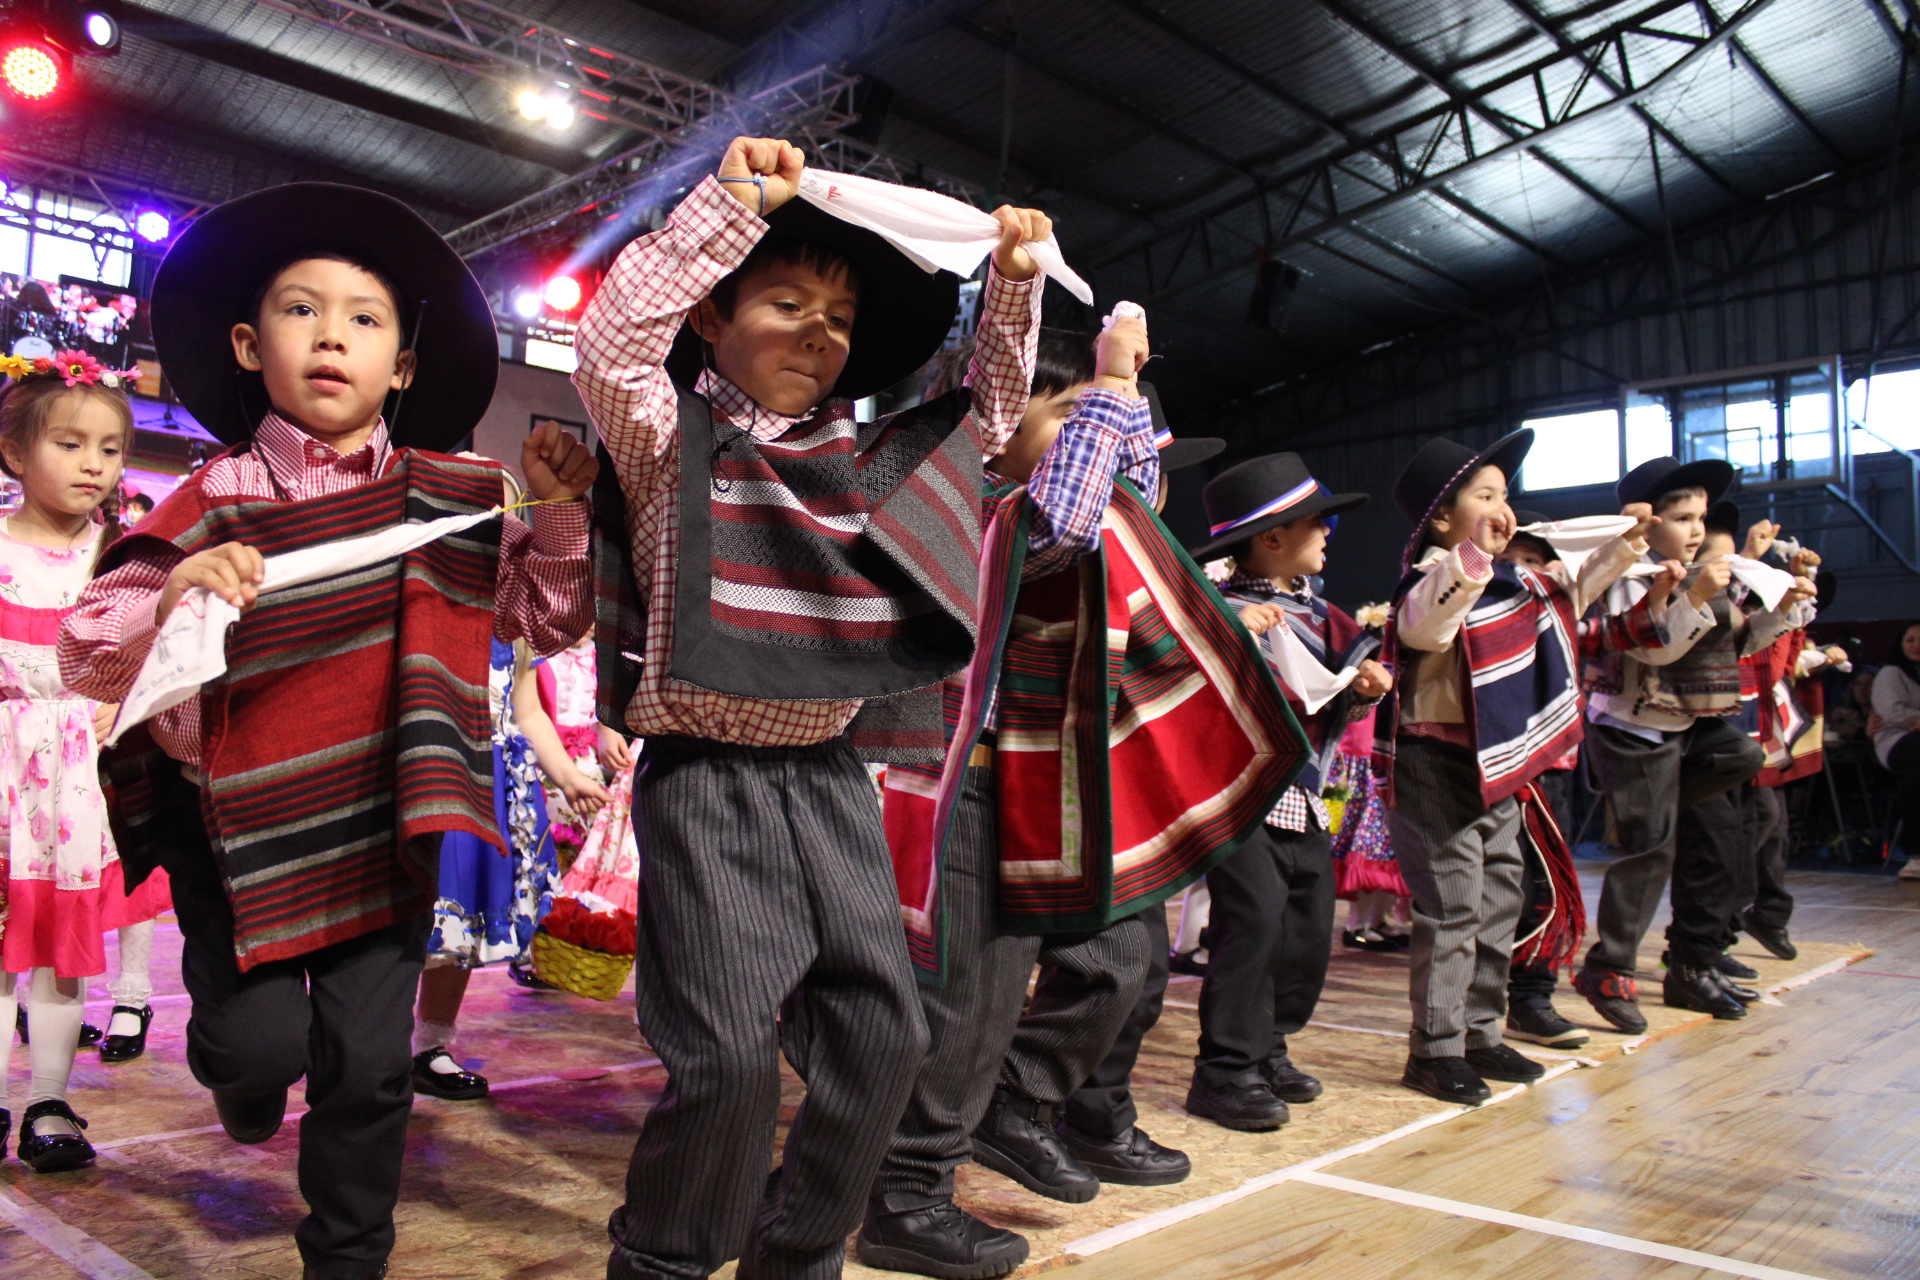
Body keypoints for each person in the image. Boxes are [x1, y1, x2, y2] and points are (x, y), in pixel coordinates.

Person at [59, 184, 595, 1280]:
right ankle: (241, 1074)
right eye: (301, 311)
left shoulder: (452, 497)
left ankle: (347, 1260)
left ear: (403, 365)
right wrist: (174, 593)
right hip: (234, 836)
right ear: (249, 345)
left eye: (364, 318)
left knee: (368, 1066)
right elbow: (87, 647)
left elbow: (543, 621)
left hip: (382, 822)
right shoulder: (211, 494)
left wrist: (556, 519)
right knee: (257, 1049)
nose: (332, 336)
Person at [573, 135, 1057, 1280]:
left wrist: (1013, 285)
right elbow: (611, 345)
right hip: (705, 781)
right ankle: (665, 1262)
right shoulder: (669, 439)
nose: (818, 332)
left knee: (885, 1035)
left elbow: (989, 418)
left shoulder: (864, 462)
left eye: (838, 317)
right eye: (787, 302)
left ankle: (796, 1257)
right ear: (711, 314)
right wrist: (732, 205)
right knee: (729, 1061)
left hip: (830, 781)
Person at [1382, 431, 1652, 1104]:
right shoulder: (1431, 579)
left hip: (1499, 763)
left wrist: (1626, 544)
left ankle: (1480, 1031)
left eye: (1504, 495)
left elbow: (1574, 591)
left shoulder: (1517, 583)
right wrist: (1473, 558)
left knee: (1501, 894)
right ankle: (1435, 1049)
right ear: (1441, 520)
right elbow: (1425, 629)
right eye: (1484, 496)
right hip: (1435, 761)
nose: (1502, 508)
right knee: (1452, 906)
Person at [1574, 458, 1816, 1035]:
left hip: (1685, 722)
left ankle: (1691, 951)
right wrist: (1693, 597)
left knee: (1744, 758)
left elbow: (1734, 641)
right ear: (1646, 521)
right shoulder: (1624, 575)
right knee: (1650, 851)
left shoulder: (1695, 573)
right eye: (1683, 518)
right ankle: (1609, 967)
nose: (1696, 529)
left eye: (1700, 518)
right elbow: (1651, 649)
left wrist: (1785, 607)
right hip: (1632, 727)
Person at [1182, 453, 1387, 1129]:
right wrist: (1231, 644)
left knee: (1305, 927)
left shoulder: (1325, 617)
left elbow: (1329, 703)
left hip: (1309, 796)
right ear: (1272, 539)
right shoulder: (1217, 614)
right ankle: (1225, 1070)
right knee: (1252, 926)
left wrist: (1361, 694)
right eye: (1316, 522)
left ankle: (1269, 1045)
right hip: (1243, 797)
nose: (1329, 532)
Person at [0, 353, 138, 1171]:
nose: (94, 465)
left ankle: (48, 1101)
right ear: (15, 451)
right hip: (1, 770)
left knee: (61, 945)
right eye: (71, 444)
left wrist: (124, 700)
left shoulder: (119, 560)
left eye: (110, 450)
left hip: (77, 781)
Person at [412, 637, 569, 1102]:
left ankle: (429, 1046)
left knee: (463, 919)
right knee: (419, 913)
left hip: (489, 782)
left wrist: (569, 777)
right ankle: (366, 1041)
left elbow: (529, 711)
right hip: (430, 775)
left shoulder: (513, 630)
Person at [1871, 622, 1920, 869]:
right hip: (1895, 740)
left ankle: (1915, 854)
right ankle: (1915, 853)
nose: (1916, 645)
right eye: (1910, 640)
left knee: (1914, 776)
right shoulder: (1891, 673)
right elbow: (1892, 711)